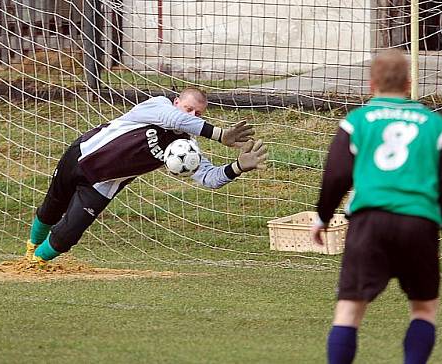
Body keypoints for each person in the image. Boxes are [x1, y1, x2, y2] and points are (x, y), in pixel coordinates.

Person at [310, 49, 442, 364]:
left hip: (369, 223)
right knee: (424, 308)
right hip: (419, 223)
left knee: (350, 309)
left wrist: (322, 217)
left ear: (371, 85)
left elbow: (337, 175)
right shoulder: (436, 126)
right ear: (409, 84)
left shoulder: (357, 121)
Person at [26, 88, 268, 265]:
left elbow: (209, 178)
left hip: (103, 185)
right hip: (81, 156)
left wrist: (237, 167)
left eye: (198, 113)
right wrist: (218, 133)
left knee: (66, 237)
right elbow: (175, 119)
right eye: (189, 108)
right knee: (51, 210)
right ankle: (30, 248)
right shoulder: (158, 106)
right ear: (176, 102)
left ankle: (33, 265)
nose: (193, 116)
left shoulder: (185, 147)